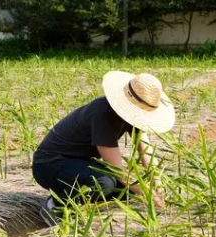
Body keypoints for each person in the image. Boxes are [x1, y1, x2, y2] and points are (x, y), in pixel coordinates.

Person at [32, 71, 175, 226]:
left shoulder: (133, 117)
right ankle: (56, 205)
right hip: (49, 165)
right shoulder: (102, 114)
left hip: (76, 163)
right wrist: (147, 193)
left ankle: (74, 199)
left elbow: (145, 149)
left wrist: (157, 182)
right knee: (103, 184)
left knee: (126, 192)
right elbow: (116, 169)